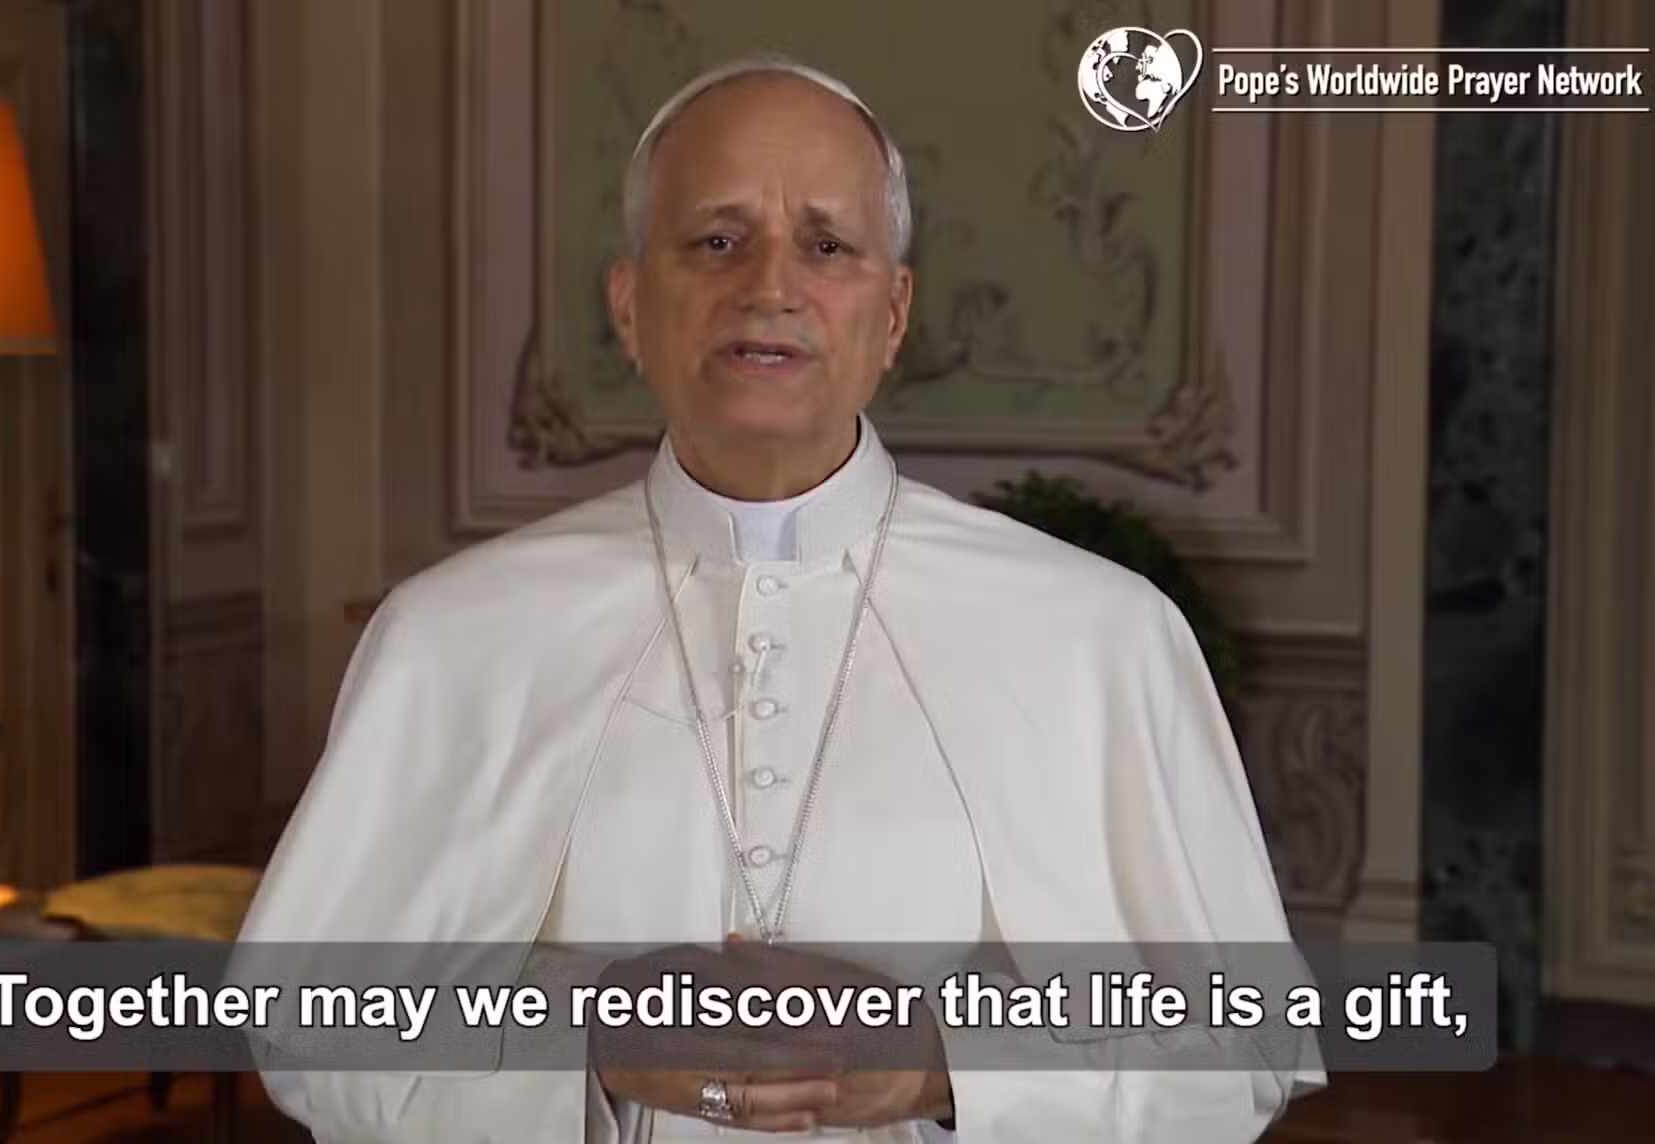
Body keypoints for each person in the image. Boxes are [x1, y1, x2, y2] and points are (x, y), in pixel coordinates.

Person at [236, 53, 1324, 1142]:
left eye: (826, 245)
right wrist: (590, 1041)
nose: (767, 287)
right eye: (714, 239)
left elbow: (1240, 1048)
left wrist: (948, 1066)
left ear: (891, 312)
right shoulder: (452, 635)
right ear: (628, 302)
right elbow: (302, 1023)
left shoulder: (1102, 635)